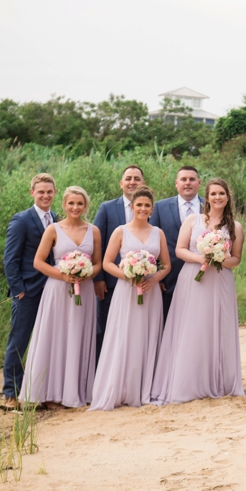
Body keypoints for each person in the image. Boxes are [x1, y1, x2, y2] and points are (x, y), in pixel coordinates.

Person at [151, 179, 245, 404]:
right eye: (213, 194)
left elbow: (237, 259)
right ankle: (187, 381)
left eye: (222, 193)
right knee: (191, 327)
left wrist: (220, 258)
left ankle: (218, 381)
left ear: (228, 197)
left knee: (216, 327)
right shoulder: (193, 220)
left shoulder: (236, 226)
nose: (218, 198)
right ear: (207, 197)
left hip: (220, 280)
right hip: (193, 279)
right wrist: (201, 258)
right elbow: (180, 250)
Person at [19, 186, 101, 409]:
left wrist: (86, 273)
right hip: (57, 290)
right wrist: (64, 275)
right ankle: (50, 394)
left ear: (85, 206)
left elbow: (98, 263)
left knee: (78, 336)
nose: (75, 207)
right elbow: (39, 262)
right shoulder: (53, 229)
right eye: (71, 203)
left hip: (84, 290)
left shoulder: (93, 230)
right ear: (64, 205)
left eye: (80, 204)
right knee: (55, 337)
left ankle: (75, 393)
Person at [90, 186, 171, 410]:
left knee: (147, 334)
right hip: (126, 292)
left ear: (152, 209)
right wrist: (128, 275)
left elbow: (166, 265)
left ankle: (145, 387)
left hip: (150, 291)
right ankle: (121, 387)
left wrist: (153, 280)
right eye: (139, 205)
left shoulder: (158, 233)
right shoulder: (120, 231)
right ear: (133, 207)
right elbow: (107, 263)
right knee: (125, 335)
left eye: (147, 205)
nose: (143, 208)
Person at [1, 173, 57, 411]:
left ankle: (42, 392)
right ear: (32, 192)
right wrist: (19, 291)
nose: (45, 195)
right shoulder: (21, 220)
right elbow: (10, 259)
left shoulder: (57, 219)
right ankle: (10, 393)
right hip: (28, 292)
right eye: (41, 191)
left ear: (55, 193)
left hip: (53, 292)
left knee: (48, 342)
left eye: (49, 191)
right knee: (19, 342)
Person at [92, 165, 146, 363]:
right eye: (128, 178)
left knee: (135, 331)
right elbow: (97, 244)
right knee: (105, 329)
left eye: (137, 179)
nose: (132, 182)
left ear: (143, 183)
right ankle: (101, 377)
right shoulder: (107, 208)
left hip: (143, 283)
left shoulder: (148, 209)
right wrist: (98, 279)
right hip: (111, 283)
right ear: (121, 183)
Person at [150, 165, 205, 327]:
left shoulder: (210, 206)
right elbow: (153, 243)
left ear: (199, 183)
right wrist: (157, 276)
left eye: (192, 179)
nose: (187, 183)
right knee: (168, 325)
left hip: (202, 275)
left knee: (198, 323)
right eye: (183, 179)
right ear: (176, 183)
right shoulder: (160, 207)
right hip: (169, 277)